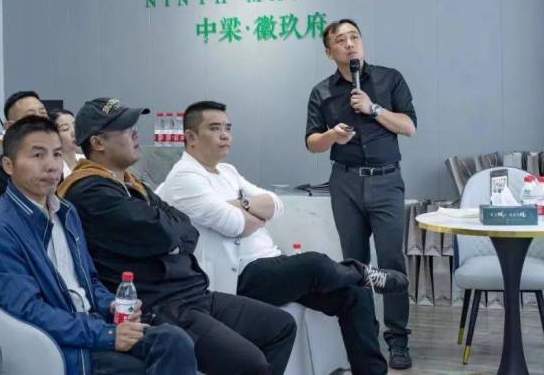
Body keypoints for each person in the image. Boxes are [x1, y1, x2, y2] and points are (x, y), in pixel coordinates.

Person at [159, 101, 411, 375]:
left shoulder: (227, 171)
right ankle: (361, 272)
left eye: (228, 128)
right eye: (214, 128)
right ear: (191, 137)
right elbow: (234, 225)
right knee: (314, 264)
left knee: (354, 294)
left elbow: (276, 204)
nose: (225, 135)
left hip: (271, 265)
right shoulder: (184, 177)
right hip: (239, 276)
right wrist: (251, 210)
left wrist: (241, 205)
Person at [58, 98, 296, 375]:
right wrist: (171, 239)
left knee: (281, 326)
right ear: (98, 142)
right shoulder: (90, 191)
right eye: (125, 129)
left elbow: (185, 227)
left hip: (193, 293)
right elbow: (160, 233)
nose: (135, 134)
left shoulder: (133, 184)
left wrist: (172, 239)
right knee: (250, 364)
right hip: (160, 305)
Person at [0, 116, 197, 375]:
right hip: (60, 345)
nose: (51, 165)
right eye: (37, 155)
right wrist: (106, 334)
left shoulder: (65, 211)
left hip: (93, 327)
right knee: (139, 367)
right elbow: (28, 311)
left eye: (57, 154)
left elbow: (89, 280)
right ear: (9, 165)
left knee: (174, 339)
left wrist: (111, 305)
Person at [306, 19, 417, 369]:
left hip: (386, 181)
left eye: (354, 37)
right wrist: (331, 137)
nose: (350, 44)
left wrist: (374, 109)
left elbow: (409, 126)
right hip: (346, 183)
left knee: (391, 260)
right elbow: (312, 142)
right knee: (354, 264)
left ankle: (397, 339)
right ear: (329, 52)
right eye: (341, 40)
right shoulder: (321, 91)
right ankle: (363, 338)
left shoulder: (389, 79)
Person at [0, 91, 48, 207]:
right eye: (31, 117)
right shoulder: (1, 171)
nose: (41, 121)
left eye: (43, 114)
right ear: (10, 127)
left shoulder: (52, 162)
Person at [49, 109, 84, 178]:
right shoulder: (52, 169)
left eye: (75, 126)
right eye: (65, 129)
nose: (74, 132)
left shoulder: (87, 161)